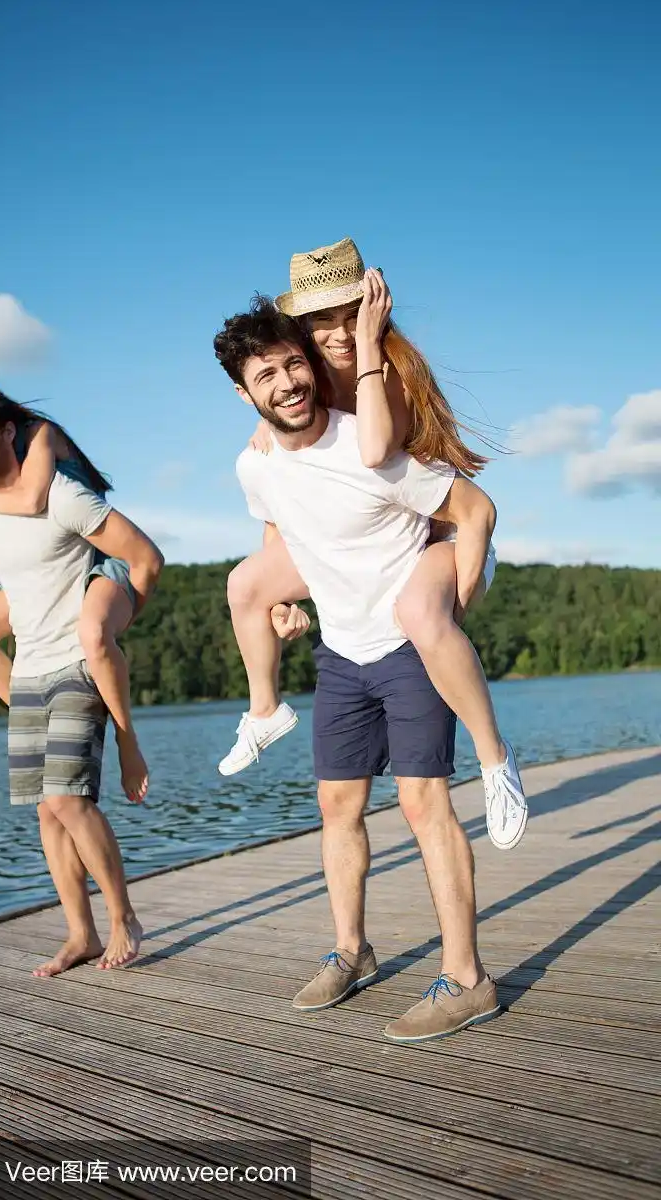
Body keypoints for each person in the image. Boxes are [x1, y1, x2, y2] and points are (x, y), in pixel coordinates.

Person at [214, 298, 502, 1042]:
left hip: (406, 644)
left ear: (311, 366)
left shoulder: (372, 449)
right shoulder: (255, 465)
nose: (285, 382)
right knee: (337, 809)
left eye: (291, 364)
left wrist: (454, 604)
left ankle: (468, 979)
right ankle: (353, 951)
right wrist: (281, 605)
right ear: (244, 394)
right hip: (340, 652)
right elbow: (282, 537)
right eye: (265, 374)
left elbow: (471, 508)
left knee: (422, 807)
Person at [219, 238, 527, 852]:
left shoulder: (388, 370)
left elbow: (373, 453)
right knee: (245, 584)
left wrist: (454, 612)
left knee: (417, 614)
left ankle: (497, 762)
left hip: (445, 534)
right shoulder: (300, 389)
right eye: (321, 321)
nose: (336, 332)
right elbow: (286, 506)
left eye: (348, 314)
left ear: (373, 308)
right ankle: (264, 710)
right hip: (372, 540)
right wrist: (284, 592)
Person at [0, 387, 163, 975]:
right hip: (31, 670)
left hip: (76, 663)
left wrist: (111, 630)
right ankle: (80, 933)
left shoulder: (61, 495)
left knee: (68, 800)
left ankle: (123, 918)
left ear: (8, 432)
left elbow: (145, 556)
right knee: (48, 812)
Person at [0, 378, 148, 804]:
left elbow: (33, 500)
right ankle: (38, 716)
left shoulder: (39, 434)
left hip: (95, 552)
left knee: (92, 634)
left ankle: (127, 739)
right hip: (43, 566)